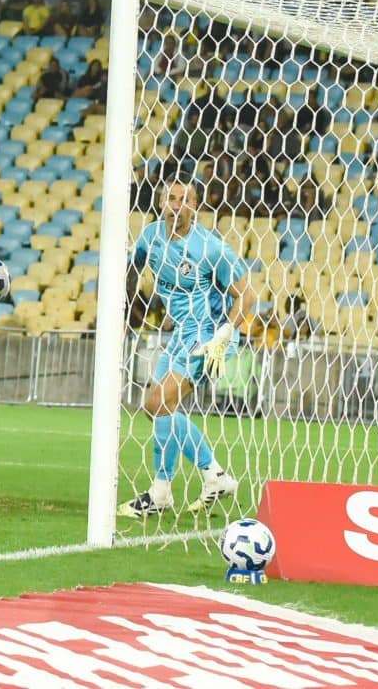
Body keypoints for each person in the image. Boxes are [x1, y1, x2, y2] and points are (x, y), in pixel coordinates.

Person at [119, 179, 248, 518]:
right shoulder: (150, 236)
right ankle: (184, 485)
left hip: (208, 336)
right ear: (162, 203)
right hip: (180, 335)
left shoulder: (210, 248)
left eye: (184, 200)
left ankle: (193, 482)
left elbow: (247, 295)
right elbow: (133, 267)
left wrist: (223, 334)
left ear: (195, 206)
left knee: (158, 402)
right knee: (156, 409)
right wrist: (126, 309)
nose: (177, 205)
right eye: (171, 199)